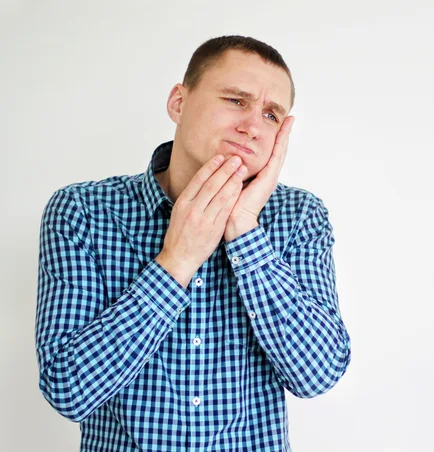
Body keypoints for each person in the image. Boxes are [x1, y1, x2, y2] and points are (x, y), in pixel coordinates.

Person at [35, 35, 351, 451]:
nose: (253, 126)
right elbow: (68, 389)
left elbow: (317, 374)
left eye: (272, 115)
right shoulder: (83, 211)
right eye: (236, 100)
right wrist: (176, 261)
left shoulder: (299, 217)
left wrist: (244, 229)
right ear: (178, 104)